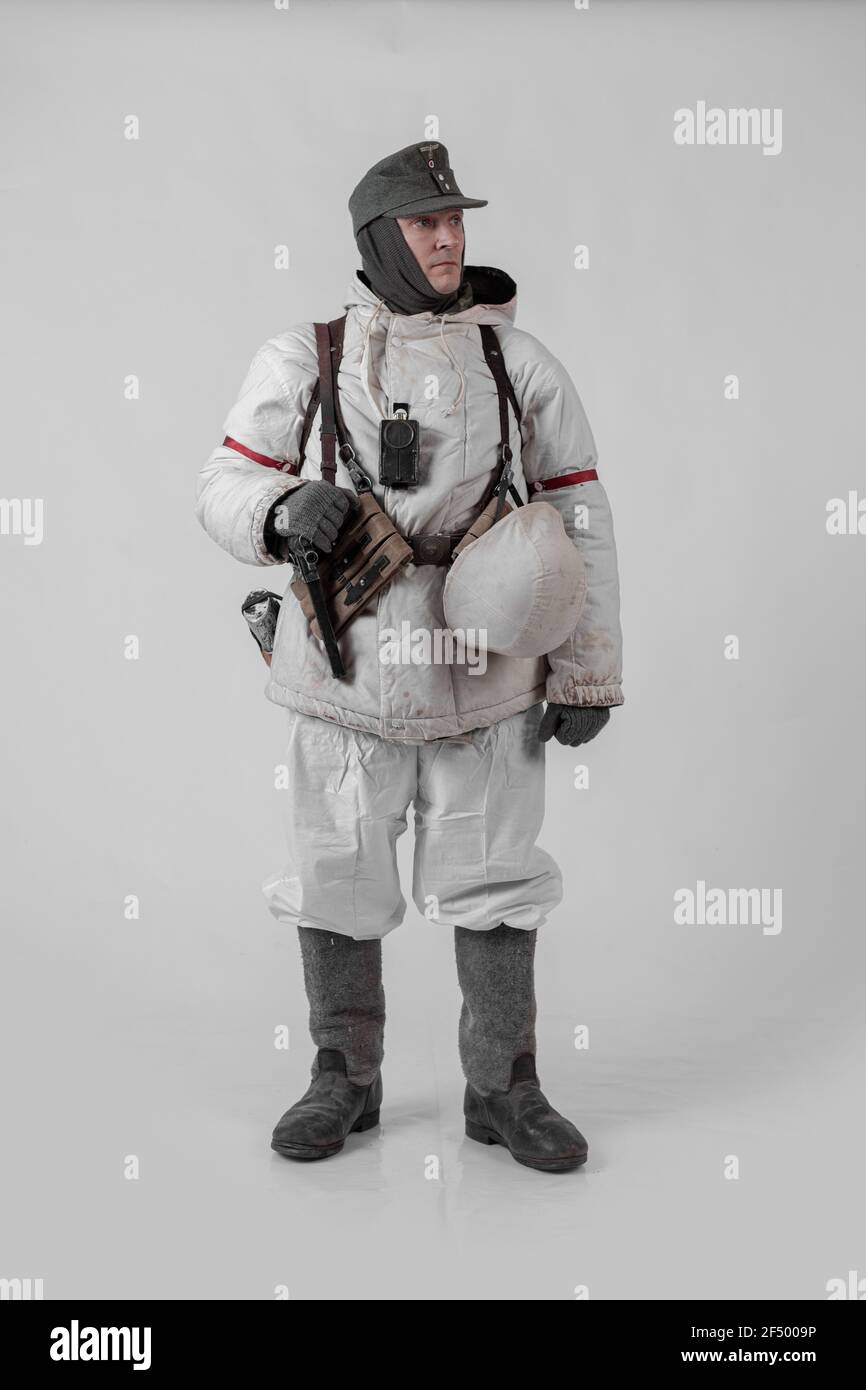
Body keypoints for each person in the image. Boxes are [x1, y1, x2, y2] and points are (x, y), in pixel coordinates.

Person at [195, 140, 624, 1173]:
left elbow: (579, 513)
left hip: (485, 680)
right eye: (424, 223)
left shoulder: (511, 360)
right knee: (335, 873)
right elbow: (219, 484)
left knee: (496, 878)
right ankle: (343, 1075)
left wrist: (585, 669)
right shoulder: (306, 356)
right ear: (376, 239)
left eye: (454, 221)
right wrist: (282, 503)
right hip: (341, 676)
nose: (447, 238)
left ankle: (503, 1084)